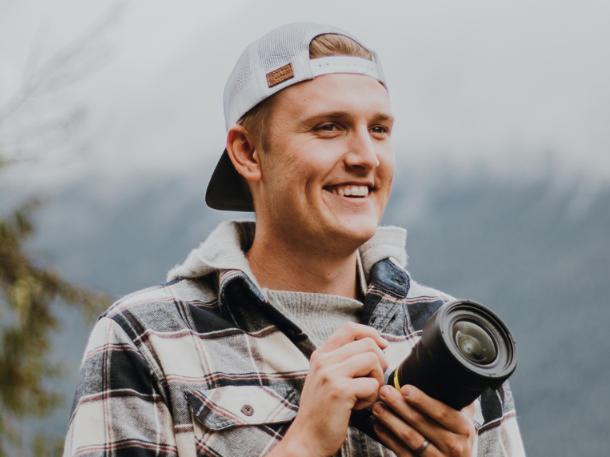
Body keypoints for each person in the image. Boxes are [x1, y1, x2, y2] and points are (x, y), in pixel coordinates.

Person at [63, 22, 525, 457]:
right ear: (247, 153)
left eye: (379, 129)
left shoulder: (454, 336)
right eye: (330, 127)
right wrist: (301, 444)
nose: (367, 157)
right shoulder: (147, 338)